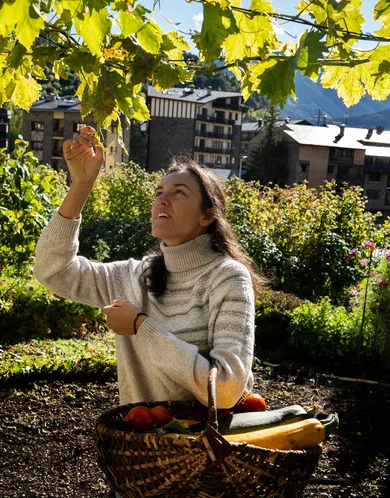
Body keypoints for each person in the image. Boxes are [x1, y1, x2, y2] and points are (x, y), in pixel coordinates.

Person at [34, 126, 264, 410]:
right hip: (140, 449)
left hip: (206, 450)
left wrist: (140, 327)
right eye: (159, 192)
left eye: (179, 192)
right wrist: (80, 186)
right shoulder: (135, 276)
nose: (162, 200)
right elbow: (51, 270)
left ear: (208, 215)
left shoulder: (227, 277)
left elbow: (226, 389)